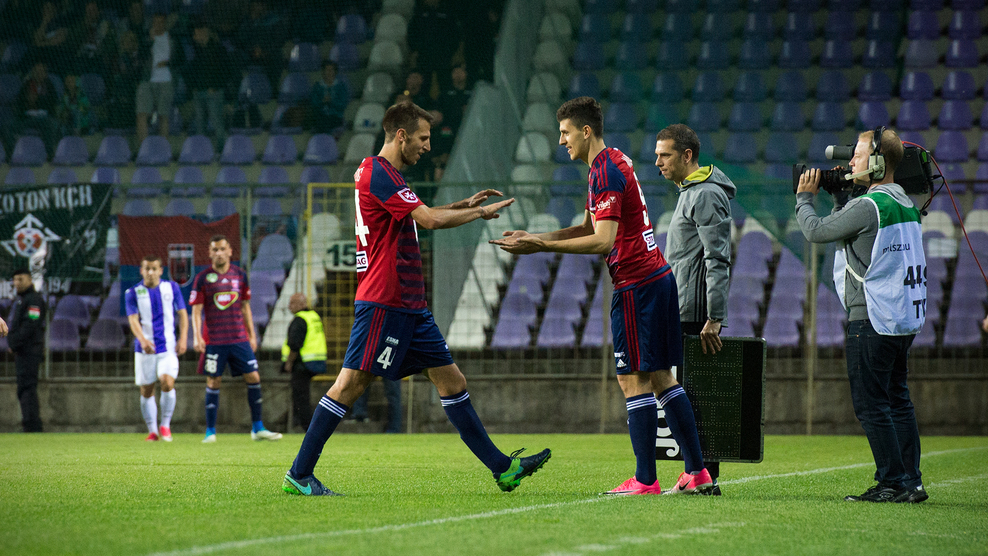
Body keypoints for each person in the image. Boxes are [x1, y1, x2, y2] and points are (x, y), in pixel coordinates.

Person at [282, 101, 550, 496]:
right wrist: (479, 215)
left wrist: (462, 205)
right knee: (350, 384)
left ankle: (503, 469)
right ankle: (300, 474)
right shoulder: (379, 172)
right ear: (401, 135)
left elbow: (419, 214)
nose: (427, 146)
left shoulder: (380, 173)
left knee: (452, 380)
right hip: (386, 300)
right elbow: (429, 220)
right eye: (423, 138)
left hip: (409, 305)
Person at [492, 96, 712, 496]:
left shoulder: (605, 171)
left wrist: (541, 246)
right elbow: (588, 227)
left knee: (632, 380)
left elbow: (603, 240)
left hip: (637, 285)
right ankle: (697, 474)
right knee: (661, 378)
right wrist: (534, 238)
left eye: (565, 132)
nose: (561, 141)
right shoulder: (610, 162)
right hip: (656, 278)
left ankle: (645, 479)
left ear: (585, 130)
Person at [796, 127, 927, 504]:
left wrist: (805, 198)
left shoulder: (869, 205)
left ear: (878, 163)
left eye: (858, 154)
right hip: (900, 318)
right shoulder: (904, 203)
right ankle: (911, 482)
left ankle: (891, 482)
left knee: (872, 405)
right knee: (898, 399)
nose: (850, 161)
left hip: (871, 317)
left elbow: (815, 231)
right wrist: (841, 199)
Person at [654, 123, 736, 495]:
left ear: (687, 155)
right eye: (657, 155)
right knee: (689, 392)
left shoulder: (705, 194)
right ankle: (698, 473)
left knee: (693, 394)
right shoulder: (692, 191)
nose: (658, 162)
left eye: (665, 155)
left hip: (696, 312)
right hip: (685, 306)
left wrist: (714, 317)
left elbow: (718, 258)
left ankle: (701, 475)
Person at [190, 235, 282, 443]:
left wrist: (252, 335)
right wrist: (197, 336)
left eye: (222, 249)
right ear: (209, 253)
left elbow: (245, 307)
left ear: (230, 251)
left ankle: (258, 428)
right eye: (215, 250)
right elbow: (196, 310)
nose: (219, 253)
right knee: (213, 380)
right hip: (214, 340)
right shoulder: (203, 278)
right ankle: (210, 432)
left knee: (254, 377)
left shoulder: (240, 275)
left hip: (239, 338)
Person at [125, 255, 189, 442]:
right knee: (146, 390)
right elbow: (133, 320)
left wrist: (183, 338)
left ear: (161, 270)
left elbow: (183, 314)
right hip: (145, 349)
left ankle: (165, 425)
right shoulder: (133, 292)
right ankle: (153, 431)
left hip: (167, 347)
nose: (150, 272)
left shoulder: (172, 288)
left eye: (154, 268)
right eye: (147, 268)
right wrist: (142, 339)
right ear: (141, 271)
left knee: (167, 382)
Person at [281, 293, 327, 430]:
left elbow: (295, 344)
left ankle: (307, 426)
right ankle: (305, 423)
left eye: (292, 303)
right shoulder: (314, 316)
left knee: (301, 397)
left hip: (303, 363)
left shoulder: (300, 319)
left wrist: (289, 362)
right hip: (316, 361)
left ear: (302, 304)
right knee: (304, 395)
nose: (289, 306)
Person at [8, 268, 45, 433]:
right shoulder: (22, 300)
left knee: (28, 387)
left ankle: (32, 425)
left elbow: (30, 325)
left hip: (30, 351)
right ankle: (29, 423)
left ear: (30, 280)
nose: (17, 283)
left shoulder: (34, 300)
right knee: (24, 387)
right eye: (15, 279)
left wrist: (15, 343)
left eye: (20, 279)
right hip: (23, 351)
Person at [1, 62, 61, 159]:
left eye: (41, 72)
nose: (38, 74)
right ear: (32, 73)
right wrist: (27, 103)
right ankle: (11, 155)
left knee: (51, 124)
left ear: (45, 74)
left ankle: (49, 155)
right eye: (36, 71)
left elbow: (52, 104)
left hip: (43, 118)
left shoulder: (49, 86)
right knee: (8, 126)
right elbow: (19, 104)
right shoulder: (26, 85)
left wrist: (37, 100)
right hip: (27, 118)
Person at [186, 19, 229, 150]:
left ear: (204, 32)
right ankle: (202, 151)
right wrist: (194, 87)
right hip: (199, 92)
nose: (195, 36)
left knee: (217, 123)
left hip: (213, 93)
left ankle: (223, 151)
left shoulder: (218, 49)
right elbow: (193, 71)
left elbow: (225, 71)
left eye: (197, 33)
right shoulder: (197, 51)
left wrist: (215, 87)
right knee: (200, 125)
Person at [135, 13, 174, 143]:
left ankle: (164, 147)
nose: (158, 25)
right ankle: (143, 148)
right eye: (155, 22)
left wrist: (167, 63)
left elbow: (180, 59)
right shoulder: (145, 38)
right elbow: (140, 56)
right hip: (147, 80)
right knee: (142, 113)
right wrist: (150, 41)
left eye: (161, 22)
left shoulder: (171, 39)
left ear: (165, 24)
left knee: (164, 115)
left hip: (165, 81)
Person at [310, 61, 347, 133]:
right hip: (320, 116)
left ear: (335, 72)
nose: (329, 72)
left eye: (331, 70)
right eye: (327, 70)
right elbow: (314, 103)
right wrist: (322, 101)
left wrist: (331, 101)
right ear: (323, 72)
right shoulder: (317, 86)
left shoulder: (341, 86)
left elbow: (342, 104)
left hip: (336, 116)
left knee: (327, 123)